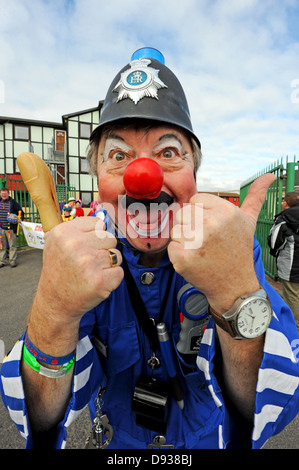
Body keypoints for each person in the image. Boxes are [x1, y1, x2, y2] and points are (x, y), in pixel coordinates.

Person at [1, 47, 299, 450]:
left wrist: (235, 294)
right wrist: (53, 312)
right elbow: (36, 417)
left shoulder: (232, 250)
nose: (144, 176)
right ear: (98, 177)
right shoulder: (83, 256)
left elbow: (271, 408)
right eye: (119, 155)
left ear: (194, 172)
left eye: (169, 153)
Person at [268, 191, 299, 328]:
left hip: (292, 265)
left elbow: (275, 242)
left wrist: (275, 252)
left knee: (292, 296)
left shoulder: (284, 219)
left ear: (285, 203)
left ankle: (294, 328)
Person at [0, 187, 24, 268]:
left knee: (12, 245)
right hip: (1, 229)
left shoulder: (13, 203)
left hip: (10, 229)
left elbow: (21, 212)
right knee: (1, 246)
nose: (3, 195)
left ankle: (12, 261)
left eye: (5, 193)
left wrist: (20, 219)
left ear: (8, 194)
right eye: (2, 193)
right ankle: (2, 261)